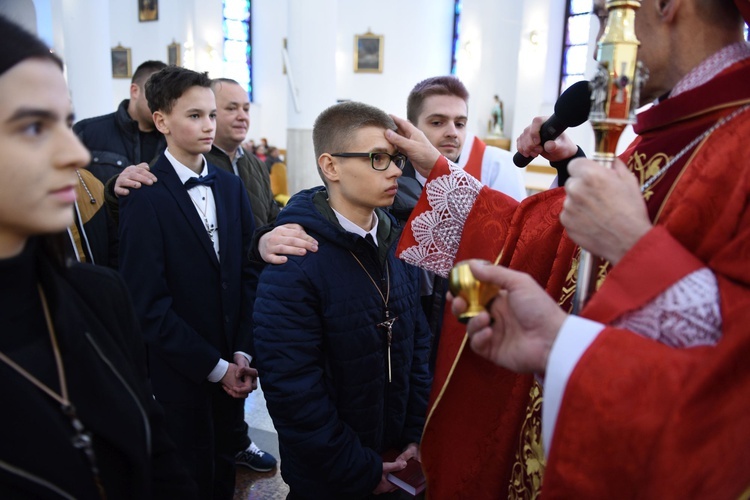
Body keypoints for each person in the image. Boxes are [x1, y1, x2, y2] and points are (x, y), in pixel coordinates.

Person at [386, 0, 750, 496]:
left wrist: (634, 247)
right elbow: (540, 239)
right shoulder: (669, 134)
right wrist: (559, 344)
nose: (598, 44)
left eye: (603, 15)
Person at [0, 15, 196, 498]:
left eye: (66, 123)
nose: (75, 152)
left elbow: (160, 458)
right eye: (32, 127)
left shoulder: (100, 296)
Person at [252, 101, 432, 498]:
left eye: (396, 158)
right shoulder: (294, 261)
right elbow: (294, 392)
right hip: (329, 474)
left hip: (398, 454)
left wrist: (415, 434)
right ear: (331, 166)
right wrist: (358, 468)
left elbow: (419, 344)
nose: (397, 171)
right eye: (378, 159)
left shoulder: (398, 242)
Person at [117, 66, 257, 499]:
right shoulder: (145, 197)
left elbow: (249, 273)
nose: (208, 126)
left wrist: (240, 352)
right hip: (182, 373)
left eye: (211, 115)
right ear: (162, 121)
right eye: (194, 116)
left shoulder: (232, 188)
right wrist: (214, 369)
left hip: (233, 364)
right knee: (188, 476)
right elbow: (147, 304)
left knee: (223, 474)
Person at [73, 60, 167, 184]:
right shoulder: (87, 132)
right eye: (159, 96)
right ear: (135, 91)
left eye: (170, 99)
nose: (165, 104)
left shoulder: (175, 138)